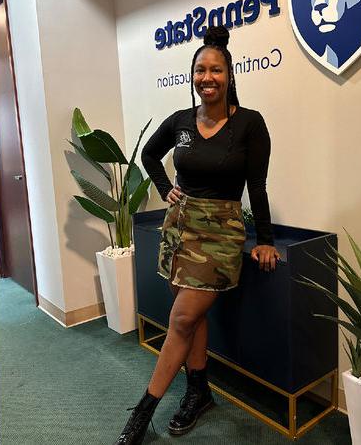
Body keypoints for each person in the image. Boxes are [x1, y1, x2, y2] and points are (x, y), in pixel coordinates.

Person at [114, 25, 280, 444]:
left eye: (216, 70)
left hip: (222, 231)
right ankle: (198, 391)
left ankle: (143, 413)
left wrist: (265, 239)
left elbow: (257, 186)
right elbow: (150, 154)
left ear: (230, 75)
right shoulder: (181, 122)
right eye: (201, 71)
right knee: (193, 318)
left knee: (182, 318)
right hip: (181, 227)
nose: (208, 78)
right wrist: (162, 187)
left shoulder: (250, 125)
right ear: (193, 76)